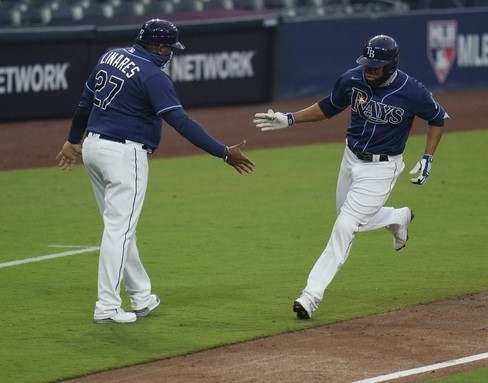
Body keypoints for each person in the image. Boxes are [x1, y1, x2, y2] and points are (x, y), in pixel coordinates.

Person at [56, 18, 255, 324]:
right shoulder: (152, 76)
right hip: (124, 155)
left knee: (122, 227)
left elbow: (85, 103)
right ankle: (107, 306)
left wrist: (73, 140)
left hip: (93, 148)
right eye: (170, 47)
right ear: (160, 46)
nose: (171, 53)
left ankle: (140, 297)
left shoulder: (110, 56)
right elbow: (181, 122)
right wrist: (222, 151)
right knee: (119, 230)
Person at [252, 34, 449, 319]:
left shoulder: (412, 90)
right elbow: (329, 106)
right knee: (347, 219)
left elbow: (438, 118)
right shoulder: (351, 79)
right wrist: (290, 118)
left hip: (382, 169)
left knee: (345, 226)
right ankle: (397, 217)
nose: (369, 69)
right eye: (367, 63)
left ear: (391, 65)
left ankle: (311, 295)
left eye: (376, 65)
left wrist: (428, 157)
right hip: (350, 159)